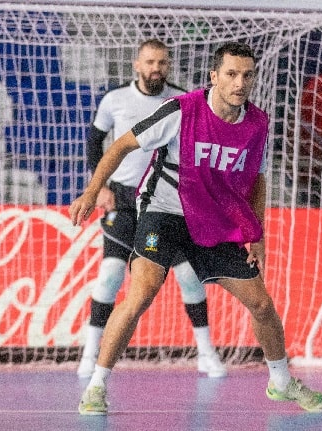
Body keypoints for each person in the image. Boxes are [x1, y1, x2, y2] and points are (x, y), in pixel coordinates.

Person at [69, 42, 322, 415]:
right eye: (231, 74)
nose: (240, 82)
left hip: (214, 220)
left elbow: (257, 181)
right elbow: (120, 146)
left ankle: (281, 381)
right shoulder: (182, 109)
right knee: (141, 292)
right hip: (165, 211)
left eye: (247, 75)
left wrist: (255, 235)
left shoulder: (257, 124)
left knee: (261, 303)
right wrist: (93, 191)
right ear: (214, 76)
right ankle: (96, 385)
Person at [77, 39, 226, 379]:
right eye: (149, 62)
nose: (155, 68)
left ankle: (206, 353)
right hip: (123, 200)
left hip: (163, 203)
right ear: (137, 64)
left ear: (168, 65)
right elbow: (94, 141)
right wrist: (98, 186)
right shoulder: (115, 99)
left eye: (161, 62)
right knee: (111, 275)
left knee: (189, 276)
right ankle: (89, 355)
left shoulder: (182, 100)